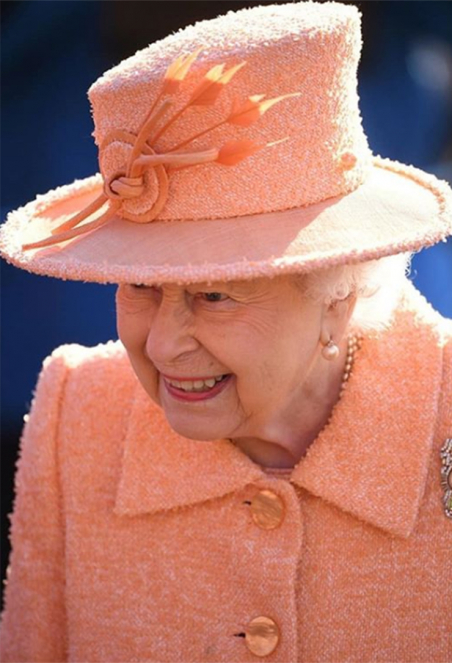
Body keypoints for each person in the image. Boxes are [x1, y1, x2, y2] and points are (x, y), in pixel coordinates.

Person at [0, 2, 451, 661]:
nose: (161, 346)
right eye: (140, 285)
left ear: (338, 292)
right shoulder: (78, 412)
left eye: (214, 295)